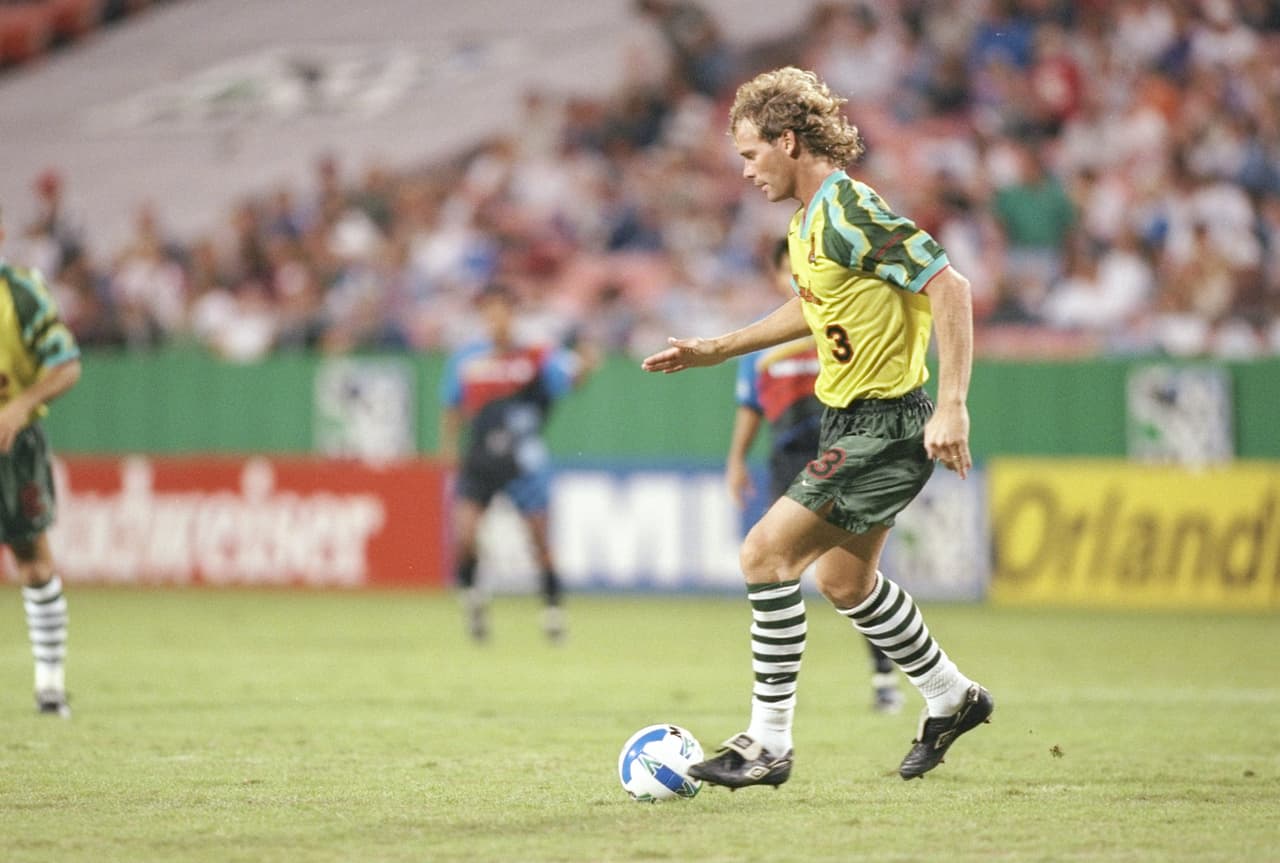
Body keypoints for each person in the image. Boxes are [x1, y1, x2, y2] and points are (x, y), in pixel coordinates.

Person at [642, 67, 993, 786]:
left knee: (764, 554)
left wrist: (954, 402)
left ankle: (767, 743)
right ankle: (952, 695)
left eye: (749, 154)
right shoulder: (807, 226)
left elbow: (949, 285)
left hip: (885, 421)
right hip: (850, 420)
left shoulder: (848, 210)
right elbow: (810, 309)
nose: (744, 172)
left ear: (789, 141)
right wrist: (718, 347)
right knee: (844, 582)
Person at [728, 238, 904, 715]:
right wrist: (736, 460)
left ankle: (884, 676)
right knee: (774, 567)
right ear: (775, 276)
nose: (796, 278)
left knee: (852, 575)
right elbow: (750, 407)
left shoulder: (839, 324)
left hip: (842, 454)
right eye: (788, 270)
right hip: (788, 463)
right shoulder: (762, 346)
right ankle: (777, 695)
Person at [438, 283, 594, 644]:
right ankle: (473, 599)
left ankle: (553, 612)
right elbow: (451, 407)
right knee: (463, 537)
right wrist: (448, 451)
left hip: (524, 461)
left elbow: (573, 378)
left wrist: (585, 364)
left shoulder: (537, 356)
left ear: (512, 314)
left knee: (539, 539)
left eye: (501, 311)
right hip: (478, 460)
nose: (495, 319)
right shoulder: (466, 360)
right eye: (488, 312)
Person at [0, 204, 82, 717]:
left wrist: (21, 406)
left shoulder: (21, 294)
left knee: (32, 562)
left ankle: (50, 685)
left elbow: (67, 364)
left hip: (13, 449)